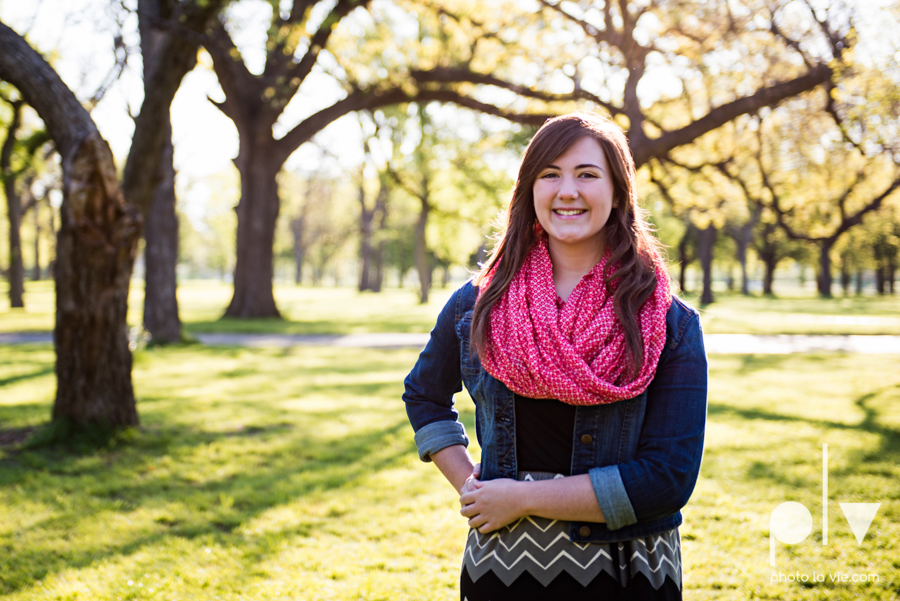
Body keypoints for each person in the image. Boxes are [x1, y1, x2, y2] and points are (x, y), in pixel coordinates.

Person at [402, 112, 707, 600]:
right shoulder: (476, 304)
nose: (567, 191)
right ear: (529, 189)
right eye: (550, 174)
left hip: (628, 574)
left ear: (619, 190)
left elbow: (667, 479)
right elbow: (422, 394)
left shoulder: (668, 321)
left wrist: (522, 499)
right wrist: (473, 487)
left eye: (587, 174)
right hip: (502, 570)